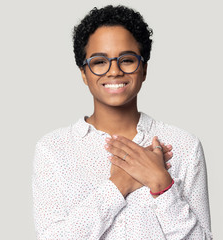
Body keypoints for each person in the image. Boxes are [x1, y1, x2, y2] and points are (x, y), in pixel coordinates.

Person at [32, 5, 212, 240]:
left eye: (126, 60)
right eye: (99, 61)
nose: (114, 71)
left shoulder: (184, 145)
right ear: (84, 73)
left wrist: (162, 184)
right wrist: (118, 185)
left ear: (144, 69)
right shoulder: (53, 150)